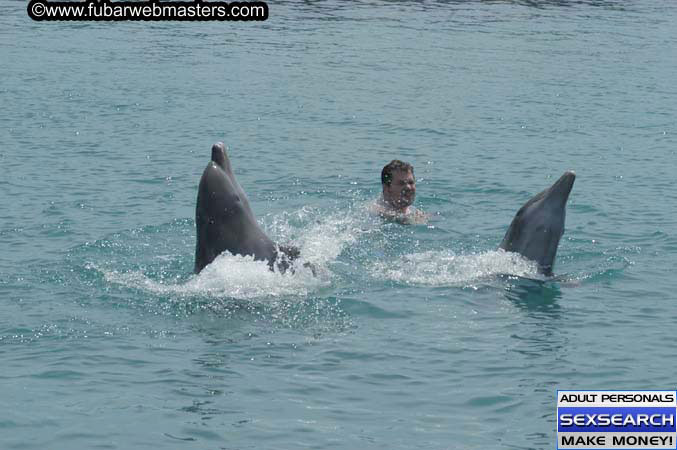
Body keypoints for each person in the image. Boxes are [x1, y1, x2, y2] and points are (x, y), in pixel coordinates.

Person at [371, 159, 428, 224]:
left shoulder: (413, 211)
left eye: (411, 182)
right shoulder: (377, 212)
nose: (408, 187)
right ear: (386, 189)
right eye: (401, 183)